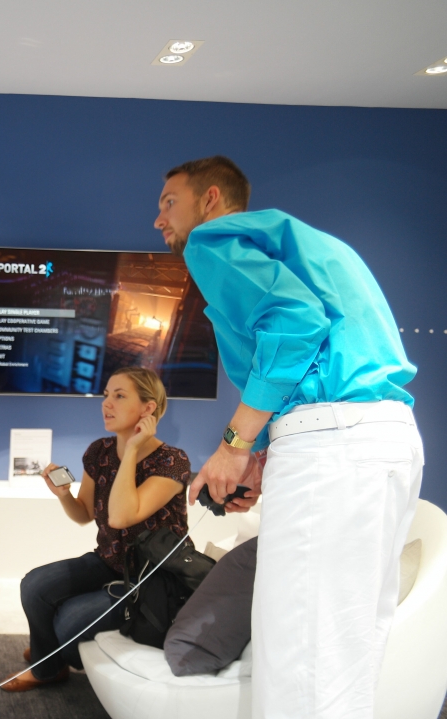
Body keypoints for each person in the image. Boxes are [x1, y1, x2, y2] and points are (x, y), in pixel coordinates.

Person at [153, 156, 423, 719]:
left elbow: (296, 323)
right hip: (385, 441)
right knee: (345, 654)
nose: (159, 220)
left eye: (169, 203)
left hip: (332, 446)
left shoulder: (212, 239)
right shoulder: (315, 245)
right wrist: (261, 453)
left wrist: (234, 445)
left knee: (298, 658)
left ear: (210, 199)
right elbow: (318, 349)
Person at [2, 367, 191, 691]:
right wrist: (64, 495)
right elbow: (84, 514)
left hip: (153, 577)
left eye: (119, 396)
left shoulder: (172, 461)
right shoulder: (99, 451)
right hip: (110, 560)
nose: (107, 403)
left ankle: (49, 653)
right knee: (35, 585)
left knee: (69, 621)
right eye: (106, 395)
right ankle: (49, 666)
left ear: (148, 408)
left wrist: (131, 449)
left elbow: (121, 517)